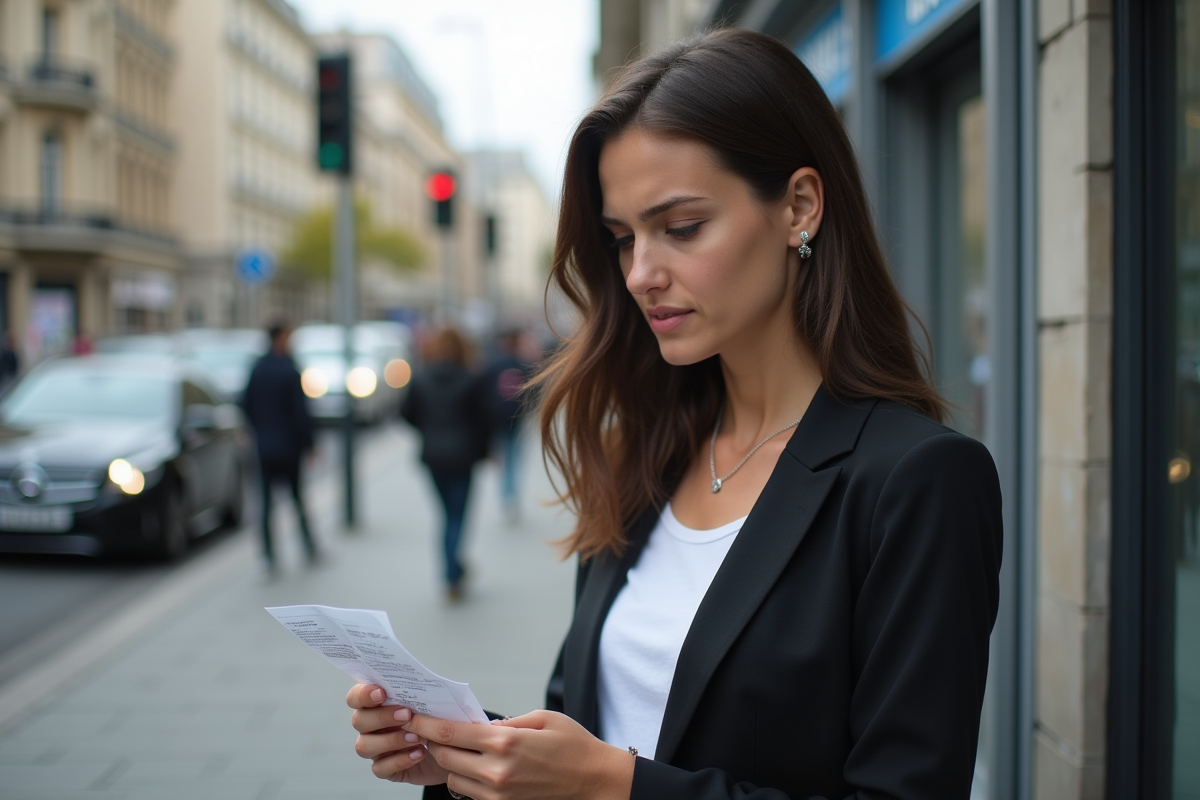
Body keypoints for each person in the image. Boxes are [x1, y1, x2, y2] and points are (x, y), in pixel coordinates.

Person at [345, 28, 1003, 800]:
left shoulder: (917, 481)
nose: (640, 274)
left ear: (799, 206)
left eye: (681, 227)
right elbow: (592, 725)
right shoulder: (647, 451)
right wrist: (470, 756)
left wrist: (616, 787)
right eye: (623, 239)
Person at [400, 326, 491, 601]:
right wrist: (484, 450)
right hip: (464, 456)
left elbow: (406, 414)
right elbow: (484, 419)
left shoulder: (421, 378)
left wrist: (429, 431)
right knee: (457, 516)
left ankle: (454, 568)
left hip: (434, 456)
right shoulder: (471, 378)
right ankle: (452, 573)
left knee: (445, 516)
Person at [241, 319, 318, 574]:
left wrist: (260, 430)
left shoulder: (257, 368)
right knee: (297, 500)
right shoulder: (289, 370)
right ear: (280, 338)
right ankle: (310, 549)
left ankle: (268, 558)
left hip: (264, 447)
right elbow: (300, 412)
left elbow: (245, 405)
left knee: (265, 505)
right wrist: (309, 444)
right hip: (289, 448)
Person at [484, 329, 531, 523]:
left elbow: (485, 394)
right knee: (514, 459)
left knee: (504, 461)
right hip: (517, 420)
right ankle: (510, 496)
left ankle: (506, 496)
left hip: (498, 421)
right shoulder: (523, 365)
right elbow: (533, 392)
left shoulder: (492, 365)